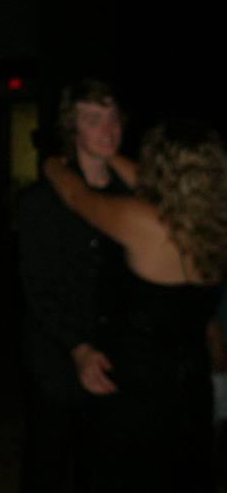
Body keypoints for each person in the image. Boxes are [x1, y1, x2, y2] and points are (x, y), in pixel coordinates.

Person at [43, 118, 227, 492]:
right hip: (191, 379)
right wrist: (109, 154)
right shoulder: (215, 221)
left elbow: (77, 198)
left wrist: (49, 163)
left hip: (139, 383)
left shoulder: (145, 221)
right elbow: (153, 185)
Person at [18, 78, 130, 493]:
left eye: (113, 117)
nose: (107, 129)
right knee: (46, 464)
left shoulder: (132, 196)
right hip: (56, 359)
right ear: (73, 128)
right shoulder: (41, 200)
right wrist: (78, 347)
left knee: (98, 468)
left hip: (114, 358)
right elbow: (38, 287)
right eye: (93, 119)